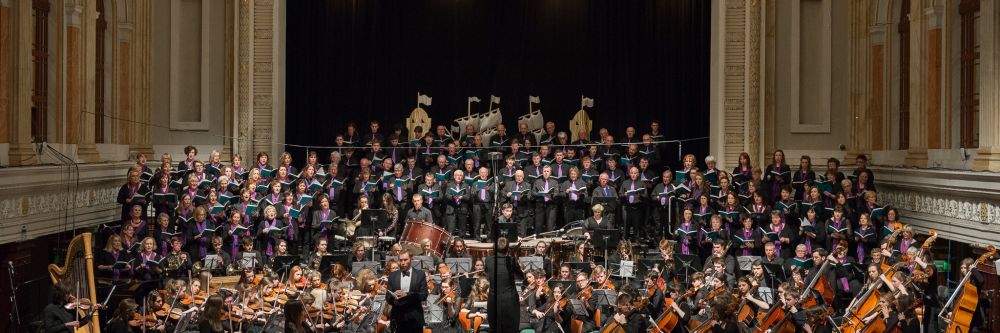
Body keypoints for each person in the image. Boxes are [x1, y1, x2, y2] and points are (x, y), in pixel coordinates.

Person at [484, 237, 525, 333]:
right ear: (507, 249)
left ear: (494, 247)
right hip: (509, 300)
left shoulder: (488, 260)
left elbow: (487, 272)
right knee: (511, 329)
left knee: (495, 328)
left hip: (494, 300)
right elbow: (521, 277)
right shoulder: (511, 260)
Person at [385, 250, 428, 332]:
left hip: (415, 318)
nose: (403, 263)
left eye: (405, 260)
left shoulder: (420, 274)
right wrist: (394, 301)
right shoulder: (392, 275)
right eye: (401, 260)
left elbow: (423, 295)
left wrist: (407, 295)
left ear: (411, 259)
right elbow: (388, 296)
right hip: (397, 318)